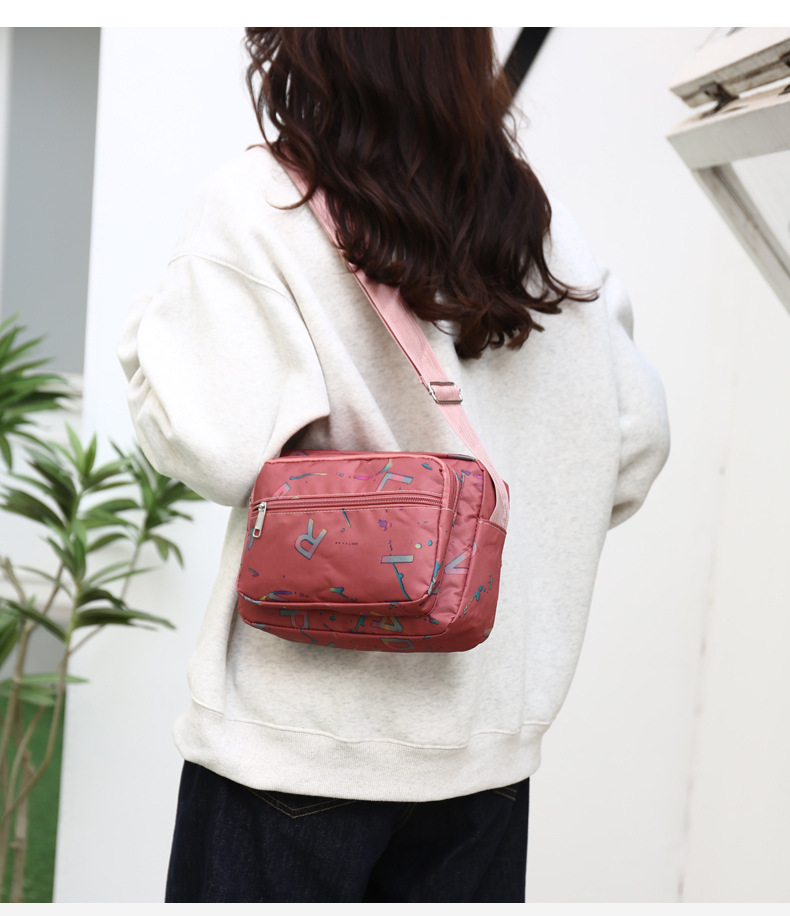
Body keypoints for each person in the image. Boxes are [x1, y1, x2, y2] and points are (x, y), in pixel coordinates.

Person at [118, 27, 669, 904]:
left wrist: (148, 331)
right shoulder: (544, 232)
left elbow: (210, 445)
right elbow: (633, 445)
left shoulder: (263, 204)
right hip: (485, 763)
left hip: (296, 753)